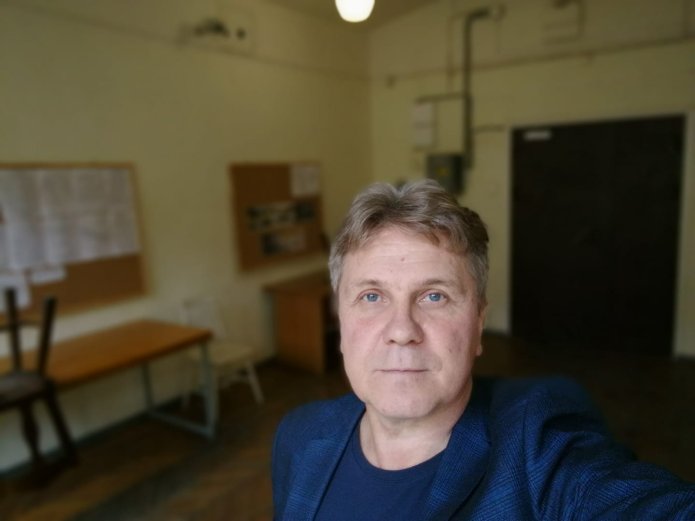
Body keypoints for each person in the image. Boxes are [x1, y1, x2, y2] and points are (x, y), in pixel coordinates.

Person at [271, 179, 695, 520]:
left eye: (434, 296)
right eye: (371, 296)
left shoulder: (540, 448)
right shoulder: (299, 435)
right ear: (341, 323)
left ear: (478, 324)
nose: (401, 330)